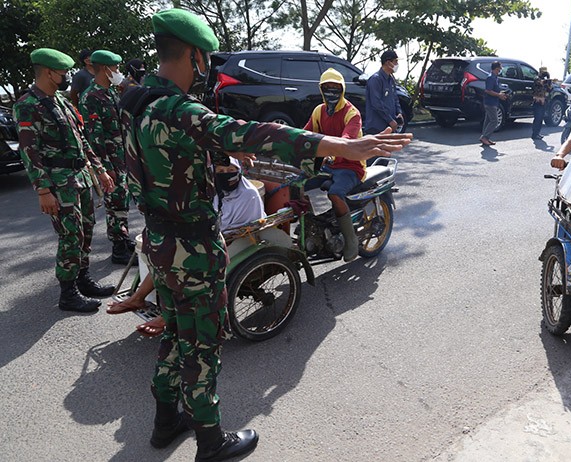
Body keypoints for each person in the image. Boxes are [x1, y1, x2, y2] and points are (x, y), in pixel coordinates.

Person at [118, 9, 411, 461]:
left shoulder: (136, 105)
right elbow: (252, 132)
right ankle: (211, 442)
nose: (207, 68)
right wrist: (341, 147)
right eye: (206, 59)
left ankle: (164, 422)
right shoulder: (178, 109)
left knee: (175, 333)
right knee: (202, 344)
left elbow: (190, 158)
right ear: (195, 55)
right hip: (193, 248)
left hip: (159, 241)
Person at [108, 157, 267, 337]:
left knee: (186, 262)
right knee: (165, 251)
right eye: (220, 171)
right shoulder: (212, 190)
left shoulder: (248, 195)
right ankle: (138, 298)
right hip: (209, 237)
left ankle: (172, 314)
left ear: (238, 171)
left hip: (237, 242)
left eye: (229, 170)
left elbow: (247, 228)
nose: (225, 175)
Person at [13, 48, 116, 313]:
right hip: (58, 183)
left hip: (79, 177)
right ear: (48, 72)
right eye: (63, 72)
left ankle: (82, 279)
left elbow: (81, 140)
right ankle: (68, 293)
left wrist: (99, 170)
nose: (67, 76)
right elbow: (29, 152)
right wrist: (43, 190)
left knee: (86, 230)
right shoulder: (28, 105)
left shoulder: (60, 101)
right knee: (71, 235)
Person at [303, 68, 365, 261]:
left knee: (335, 194)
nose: (331, 91)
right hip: (328, 164)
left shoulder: (351, 113)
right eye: (327, 87)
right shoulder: (319, 111)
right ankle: (311, 228)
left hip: (351, 166)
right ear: (321, 90)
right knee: (295, 184)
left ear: (342, 89)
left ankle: (351, 240)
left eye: (335, 87)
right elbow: (305, 133)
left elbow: (347, 138)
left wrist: (332, 151)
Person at [79, 50, 133, 265]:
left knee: (122, 200)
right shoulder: (91, 97)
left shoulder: (110, 92)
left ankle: (123, 237)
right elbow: (95, 137)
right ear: (104, 68)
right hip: (110, 160)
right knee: (115, 203)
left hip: (121, 157)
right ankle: (119, 248)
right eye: (116, 68)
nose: (118, 71)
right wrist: (105, 167)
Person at [364, 49, 403, 135]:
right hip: (376, 128)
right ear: (388, 63)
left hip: (389, 127)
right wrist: (390, 120)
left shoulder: (391, 80)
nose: (397, 65)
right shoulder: (375, 79)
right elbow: (376, 103)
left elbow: (395, 99)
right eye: (395, 62)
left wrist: (399, 113)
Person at [480, 61, 508, 146]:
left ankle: (485, 137)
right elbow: (488, 90)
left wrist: (501, 93)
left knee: (488, 120)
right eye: (499, 69)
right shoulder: (491, 77)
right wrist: (498, 95)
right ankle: (485, 138)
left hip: (493, 102)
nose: (499, 71)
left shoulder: (495, 77)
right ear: (496, 69)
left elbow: (494, 89)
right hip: (490, 103)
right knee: (494, 121)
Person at [531, 67, 551, 140]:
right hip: (537, 100)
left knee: (541, 118)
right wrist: (547, 80)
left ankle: (537, 133)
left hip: (543, 100)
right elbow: (540, 82)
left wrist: (549, 80)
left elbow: (549, 89)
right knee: (537, 118)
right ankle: (534, 134)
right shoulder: (537, 78)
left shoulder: (546, 80)